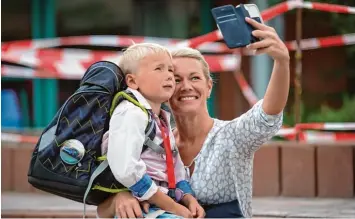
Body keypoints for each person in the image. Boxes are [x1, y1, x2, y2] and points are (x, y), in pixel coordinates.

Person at [97, 17, 290, 218]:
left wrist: (282, 62)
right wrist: (119, 198)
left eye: (195, 78)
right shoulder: (150, 139)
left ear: (209, 87)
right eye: (175, 78)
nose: (186, 86)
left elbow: (267, 116)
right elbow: (102, 211)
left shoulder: (231, 136)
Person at [101, 43, 204, 218]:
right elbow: (127, 169)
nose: (169, 76)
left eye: (171, 70)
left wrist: (188, 199)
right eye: (159, 69)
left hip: (161, 205)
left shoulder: (160, 118)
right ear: (132, 81)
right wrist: (174, 207)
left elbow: (176, 168)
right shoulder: (131, 113)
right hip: (141, 208)